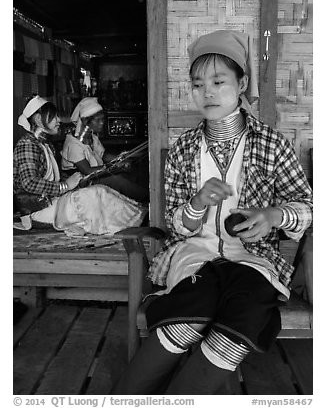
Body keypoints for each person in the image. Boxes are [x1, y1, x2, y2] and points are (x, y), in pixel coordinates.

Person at [112, 30, 313, 395]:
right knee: (195, 304)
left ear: (242, 83)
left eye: (218, 81)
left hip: (253, 259)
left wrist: (272, 216)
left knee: (247, 306)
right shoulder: (183, 149)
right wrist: (197, 204)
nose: (207, 92)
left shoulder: (271, 143)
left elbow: (307, 208)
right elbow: (173, 223)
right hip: (195, 256)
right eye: (197, 84)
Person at [13, 96, 147, 235]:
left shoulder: (45, 144)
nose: (59, 120)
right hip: (38, 212)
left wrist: (76, 182)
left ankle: (141, 218)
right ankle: (138, 223)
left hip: (54, 202)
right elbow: (28, 182)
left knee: (100, 190)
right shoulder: (27, 145)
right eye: (53, 117)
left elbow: (55, 178)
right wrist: (65, 186)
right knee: (94, 195)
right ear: (39, 119)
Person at [61, 97, 148, 202]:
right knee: (117, 180)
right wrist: (115, 166)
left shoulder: (92, 137)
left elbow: (104, 155)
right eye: (98, 120)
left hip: (95, 175)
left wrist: (123, 159)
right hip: (81, 182)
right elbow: (87, 171)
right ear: (85, 121)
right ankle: (149, 199)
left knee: (130, 174)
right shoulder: (73, 143)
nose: (102, 123)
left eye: (102, 119)